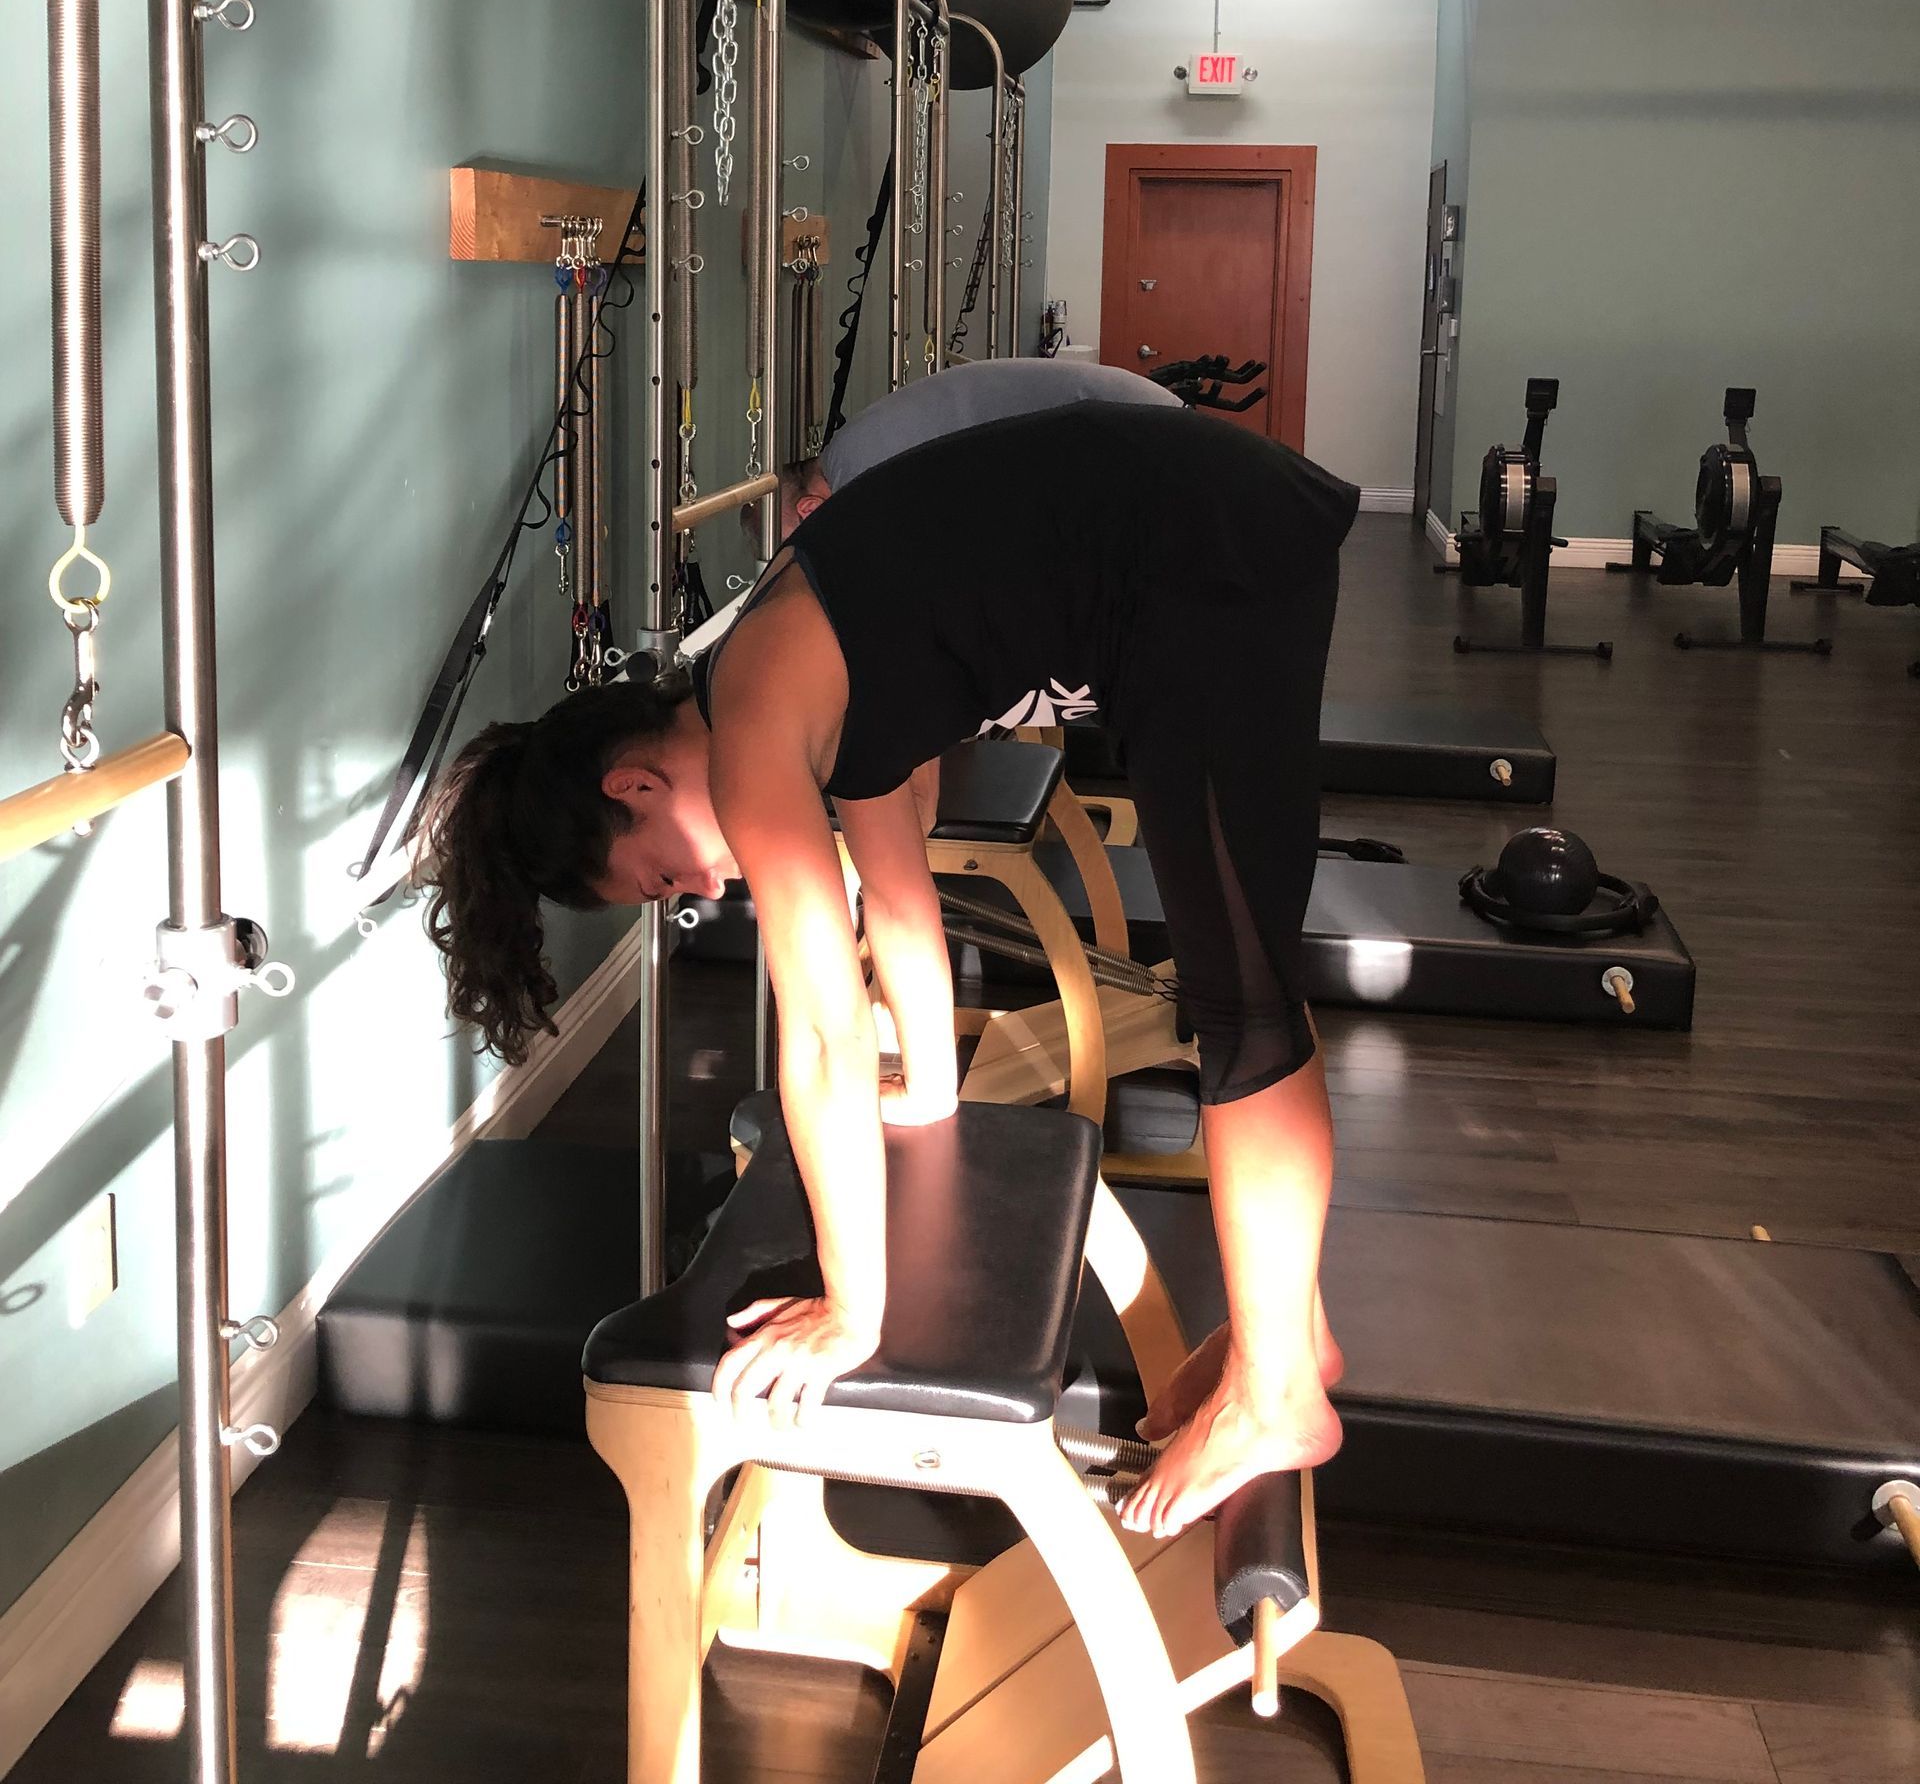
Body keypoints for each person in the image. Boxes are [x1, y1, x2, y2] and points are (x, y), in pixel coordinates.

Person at [422, 398, 1356, 1539]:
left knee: (1244, 1006)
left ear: (633, 788)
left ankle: (1278, 1398)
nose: (702, 895)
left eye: (661, 880)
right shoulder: (795, 666)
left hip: (1200, 553)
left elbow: (819, 1034)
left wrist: (852, 1309)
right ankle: (1288, 1336)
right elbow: (903, 896)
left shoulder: (759, 721)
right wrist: (932, 1082)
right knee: (1237, 993)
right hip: (1204, 534)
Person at [778, 352, 1180, 538]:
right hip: (1135, 420)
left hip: (1136, 430)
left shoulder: (857, 472)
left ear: (810, 510)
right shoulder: (855, 452)